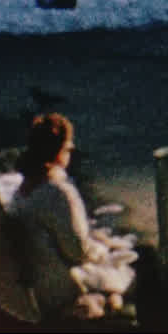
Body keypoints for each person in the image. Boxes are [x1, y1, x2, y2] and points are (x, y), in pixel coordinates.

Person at [8, 113, 136, 323]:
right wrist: (106, 250)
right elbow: (79, 251)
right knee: (139, 266)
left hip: (39, 283)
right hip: (63, 288)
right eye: (68, 148)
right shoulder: (58, 192)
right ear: (59, 152)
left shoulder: (20, 191)